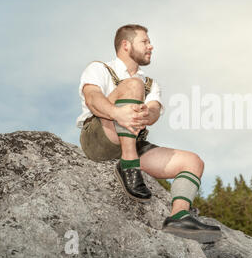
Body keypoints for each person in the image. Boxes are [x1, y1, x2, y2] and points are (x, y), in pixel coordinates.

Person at [76, 24, 221, 243]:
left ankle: (178, 217)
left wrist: (145, 113)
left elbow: (154, 110)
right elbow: (93, 99)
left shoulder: (150, 84)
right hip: (100, 135)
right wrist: (117, 113)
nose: (150, 46)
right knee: (133, 85)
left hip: (133, 139)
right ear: (126, 45)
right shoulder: (99, 68)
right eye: (145, 41)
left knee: (193, 162)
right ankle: (129, 164)